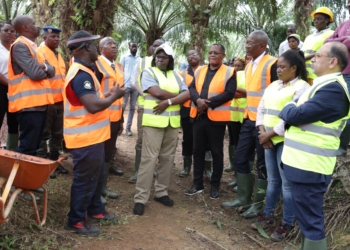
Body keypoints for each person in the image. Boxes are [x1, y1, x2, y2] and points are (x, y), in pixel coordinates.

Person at [279, 42, 349, 249]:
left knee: (310, 220)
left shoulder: (334, 90)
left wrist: (290, 104)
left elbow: (296, 115)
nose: (313, 59)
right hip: (303, 164)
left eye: (318, 55)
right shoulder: (322, 85)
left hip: (311, 166)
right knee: (306, 216)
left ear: (333, 61)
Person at [63, 30, 124, 236]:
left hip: (93, 137)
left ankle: (96, 210)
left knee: (95, 176)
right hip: (84, 139)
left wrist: (105, 95)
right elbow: (92, 106)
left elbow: (90, 98)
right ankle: (76, 220)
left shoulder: (86, 71)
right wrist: (114, 96)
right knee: (85, 179)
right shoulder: (80, 74)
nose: (97, 49)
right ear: (87, 47)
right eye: (94, 45)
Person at [251, 50, 310, 241]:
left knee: (286, 185)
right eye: (278, 67)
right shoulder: (273, 85)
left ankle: (287, 222)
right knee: (273, 181)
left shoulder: (302, 87)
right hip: (268, 140)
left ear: (294, 68)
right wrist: (262, 133)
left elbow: (293, 116)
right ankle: (268, 215)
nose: (279, 70)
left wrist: (269, 134)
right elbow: (261, 109)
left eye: (282, 67)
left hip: (286, 141)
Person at [221, 30, 278, 219]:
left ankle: (258, 204)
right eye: (246, 42)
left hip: (266, 123)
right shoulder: (248, 65)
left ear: (262, 46)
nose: (246, 45)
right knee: (240, 157)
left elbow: (278, 93)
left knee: (262, 165)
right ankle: (243, 198)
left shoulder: (273, 63)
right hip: (249, 119)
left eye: (250, 43)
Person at [133, 44, 189, 215]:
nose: (159, 59)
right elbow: (155, 91)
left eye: (163, 57)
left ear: (170, 60)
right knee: (148, 159)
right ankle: (140, 198)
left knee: (167, 158)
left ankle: (161, 192)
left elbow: (187, 94)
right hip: (154, 122)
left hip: (172, 124)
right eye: (157, 57)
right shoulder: (149, 72)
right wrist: (179, 97)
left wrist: (170, 102)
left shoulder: (177, 76)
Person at [185, 43, 236, 199]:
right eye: (210, 52)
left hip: (216, 120)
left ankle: (215, 186)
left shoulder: (229, 71)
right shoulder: (200, 70)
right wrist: (197, 100)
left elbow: (229, 93)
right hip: (199, 117)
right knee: (197, 151)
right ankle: (197, 184)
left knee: (216, 153)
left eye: (216, 53)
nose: (213, 55)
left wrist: (207, 103)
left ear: (223, 55)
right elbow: (192, 88)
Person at [8, 15, 55, 156]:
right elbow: (35, 74)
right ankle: (18, 177)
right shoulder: (20, 46)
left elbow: (52, 71)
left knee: (34, 146)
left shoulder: (34, 48)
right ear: (25, 28)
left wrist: (44, 67)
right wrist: (44, 68)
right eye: (34, 23)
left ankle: (26, 176)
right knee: (27, 147)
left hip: (39, 105)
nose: (38, 26)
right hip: (28, 106)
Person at [128, 39, 164, 183]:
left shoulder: (169, 63)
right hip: (145, 106)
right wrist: (147, 96)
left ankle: (152, 169)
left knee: (157, 140)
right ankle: (138, 171)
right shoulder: (142, 62)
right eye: (155, 45)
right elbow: (134, 82)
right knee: (142, 139)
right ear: (150, 48)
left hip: (162, 107)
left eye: (161, 46)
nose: (157, 48)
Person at [95, 37, 124, 204]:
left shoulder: (118, 66)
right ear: (100, 49)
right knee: (99, 153)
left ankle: (103, 187)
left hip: (114, 117)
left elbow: (119, 96)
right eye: (109, 44)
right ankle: (97, 190)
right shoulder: (97, 64)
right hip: (100, 116)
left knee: (108, 153)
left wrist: (121, 119)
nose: (114, 46)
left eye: (115, 44)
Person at [36, 26, 69, 179]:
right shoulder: (40, 53)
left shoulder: (59, 55)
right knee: (44, 134)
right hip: (46, 101)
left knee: (57, 134)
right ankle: (43, 164)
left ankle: (54, 162)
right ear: (44, 38)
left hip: (60, 101)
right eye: (53, 37)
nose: (56, 39)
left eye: (58, 37)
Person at [225, 57, 251, 193]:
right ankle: (236, 175)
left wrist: (235, 91)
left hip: (245, 115)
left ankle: (243, 179)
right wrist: (234, 92)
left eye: (239, 65)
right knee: (234, 142)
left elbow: (248, 94)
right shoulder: (230, 75)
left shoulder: (247, 75)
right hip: (233, 115)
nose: (236, 68)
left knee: (243, 146)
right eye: (234, 65)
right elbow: (228, 93)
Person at [302, 7, 334, 85]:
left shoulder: (331, 34)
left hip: (318, 74)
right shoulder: (309, 37)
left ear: (327, 20)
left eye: (319, 19)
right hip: (304, 74)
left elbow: (328, 52)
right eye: (315, 19)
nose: (316, 21)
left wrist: (304, 58)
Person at [0, 21, 17, 151]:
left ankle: (11, 151)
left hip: (16, 89)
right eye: (6, 30)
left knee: (14, 121)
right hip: (2, 87)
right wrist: (9, 83)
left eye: (12, 31)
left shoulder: (17, 47)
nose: (10, 33)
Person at [120, 41, 139, 136]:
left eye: (135, 46)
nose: (134, 48)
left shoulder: (139, 59)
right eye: (132, 46)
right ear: (129, 47)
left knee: (132, 108)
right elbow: (120, 71)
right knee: (122, 107)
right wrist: (121, 84)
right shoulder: (124, 57)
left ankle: (128, 128)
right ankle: (120, 125)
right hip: (126, 85)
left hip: (135, 87)